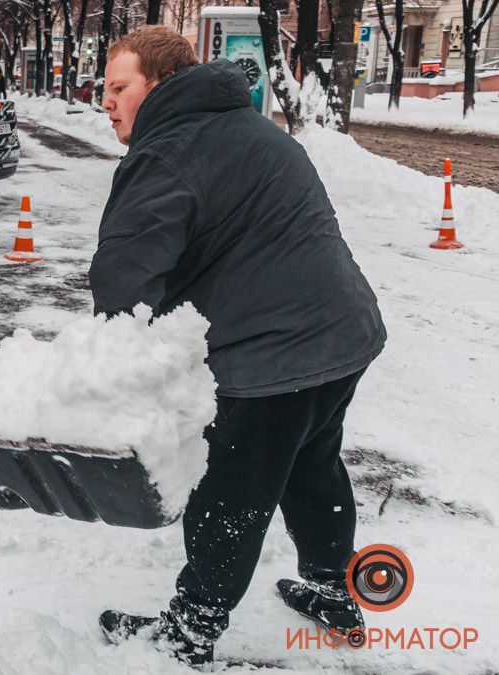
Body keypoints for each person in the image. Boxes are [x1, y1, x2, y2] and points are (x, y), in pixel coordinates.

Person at [89, 26, 386, 666]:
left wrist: (105, 367)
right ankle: (334, 589)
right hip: (344, 337)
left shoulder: (166, 153)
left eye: (119, 87)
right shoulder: (253, 129)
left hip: (272, 359)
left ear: (160, 84)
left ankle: (191, 631)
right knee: (311, 463)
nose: (106, 101)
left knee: (231, 492)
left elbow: (124, 276)